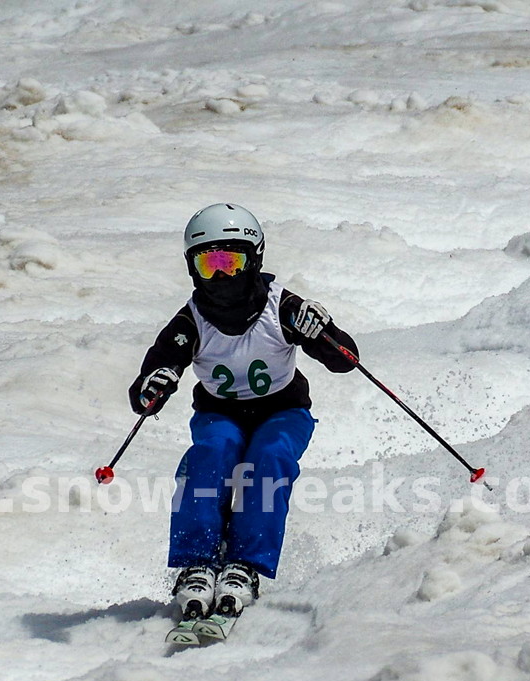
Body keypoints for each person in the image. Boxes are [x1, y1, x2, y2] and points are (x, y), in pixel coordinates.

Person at [129, 203, 360, 619]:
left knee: (269, 458)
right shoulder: (190, 323)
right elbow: (145, 390)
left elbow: (345, 360)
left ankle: (245, 565)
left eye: (230, 262)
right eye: (208, 263)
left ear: (254, 259)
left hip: (284, 412)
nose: (219, 276)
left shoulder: (282, 309)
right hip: (220, 415)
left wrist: (322, 331)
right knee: (211, 453)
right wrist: (154, 387)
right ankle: (197, 562)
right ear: (190, 267)